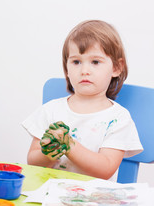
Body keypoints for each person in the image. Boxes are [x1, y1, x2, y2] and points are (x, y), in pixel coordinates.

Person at [22, 20, 143, 181]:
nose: (84, 71)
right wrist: (49, 152)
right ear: (67, 69)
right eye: (76, 62)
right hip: (49, 195)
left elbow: (105, 169)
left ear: (116, 68)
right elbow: (33, 162)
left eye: (95, 62)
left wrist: (69, 145)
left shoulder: (118, 118)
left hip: (94, 200)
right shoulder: (51, 110)